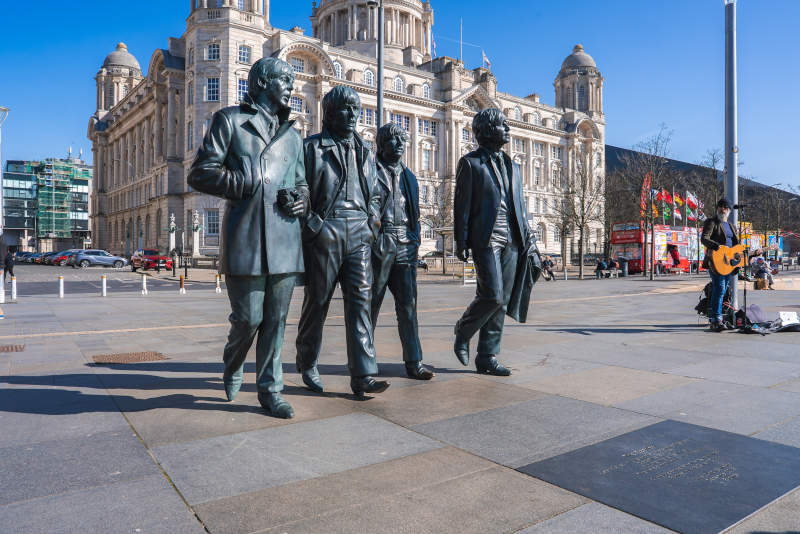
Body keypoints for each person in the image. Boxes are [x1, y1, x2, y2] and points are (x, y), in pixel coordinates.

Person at [187, 58, 308, 418]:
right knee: (248, 319)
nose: (290, 87)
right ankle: (233, 360)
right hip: (247, 236)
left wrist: (301, 199)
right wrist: (242, 182)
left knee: (276, 321)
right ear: (263, 82)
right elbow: (200, 172)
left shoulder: (293, 135)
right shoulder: (231, 121)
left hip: (285, 237)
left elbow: (301, 182)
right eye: (284, 79)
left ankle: (271, 390)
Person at [295, 86, 390, 398]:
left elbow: (374, 195)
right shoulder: (311, 147)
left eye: (355, 109)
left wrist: (372, 223)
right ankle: (307, 361)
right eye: (345, 109)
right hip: (327, 230)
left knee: (361, 303)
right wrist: (313, 224)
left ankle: (363, 375)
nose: (352, 115)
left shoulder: (366, 152)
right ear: (330, 112)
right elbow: (300, 188)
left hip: (360, 232)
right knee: (318, 301)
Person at [452, 108, 534, 376]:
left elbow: (520, 207)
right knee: (492, 294)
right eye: (503, 125)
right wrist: (461, 241)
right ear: (487, 130)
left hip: (512, 238)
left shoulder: (514, 166)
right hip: (486, 238)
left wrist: (530, 240)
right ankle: (464, 330)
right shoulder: (471, 163)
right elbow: (462, 206)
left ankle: (487, 355)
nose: (508, 130)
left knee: (502, 300)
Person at [370, 124, 434, 381]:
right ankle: (364, 362)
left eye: (402, 140)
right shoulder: (370, 170)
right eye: (392, 140)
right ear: (381, 144)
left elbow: (414, 212)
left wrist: (415, 239)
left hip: (406, 244)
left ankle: (414, 361)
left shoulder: (410, 177)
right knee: (370, 305)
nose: (399, 144)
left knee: (408, 306)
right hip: (380, 242)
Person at [701, 198, 740, 332]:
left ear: (729, 210)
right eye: (720, 206)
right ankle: (716, 319)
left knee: (722, 290)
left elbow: (735, 246)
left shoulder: (732, 226)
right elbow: (704, 238)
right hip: (715, 261)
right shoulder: (712, 222)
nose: (722, 209)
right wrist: (717, 247)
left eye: (725, 207)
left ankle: (718, 317)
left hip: (728, 263)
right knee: (719, 288)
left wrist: (741, 255)